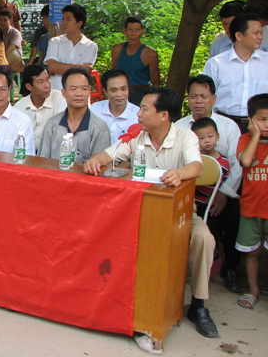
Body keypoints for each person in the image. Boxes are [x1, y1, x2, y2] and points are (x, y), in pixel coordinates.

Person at [84, 88, 217, 338]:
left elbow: (197, 167)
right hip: (138, 212)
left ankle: (198, 305)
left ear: (163, 115)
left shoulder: (185, 136)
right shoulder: (137, 135)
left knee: (203, 239)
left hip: (178, 214)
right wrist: (96, 159)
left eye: (145, 108)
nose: (139, 113)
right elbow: (109, 154)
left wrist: (179, 174)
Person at [176, 74, 243, 293]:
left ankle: (230, 269)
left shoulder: (228, 126)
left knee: (233, 216)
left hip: (223, 191)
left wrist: (223, 193)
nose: (198, 101)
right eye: (193, 96)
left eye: (204, 96)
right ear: (188, 98)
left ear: (213, 99)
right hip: (190, 193)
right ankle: (186, 269)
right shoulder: (179, 127)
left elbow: (236, 163)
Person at [203, 13, 268, 134]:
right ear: (239, 35)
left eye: (261, 33)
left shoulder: (266, 62)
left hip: (261, 127)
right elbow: (205, 97)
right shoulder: (216, 64)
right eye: (256, 33)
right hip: (224, 125)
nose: (260, 37)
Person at [236, 93, 268, 310]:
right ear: (251, 120)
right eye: (262, 119)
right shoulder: (246, 140)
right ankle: (253, 289)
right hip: (251, 207)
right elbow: (246, 161)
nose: (266, 124)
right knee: (251, 252)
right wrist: (255, 135)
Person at [39, 67, 110, 162]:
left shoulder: (99, 127)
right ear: (64, 93)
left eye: (84, 89)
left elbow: (101, 165)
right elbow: (42, 160)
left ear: (89, 91)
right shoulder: (52, 124)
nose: (79, 94)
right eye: (73, 89)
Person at [43, 3, 97, 90]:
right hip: (56, 93)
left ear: (79, 23)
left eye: (68, 19)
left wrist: (59, 67)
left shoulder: (90, 46)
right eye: (63, 19)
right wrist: (79, 67)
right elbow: (52, 67)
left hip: (78, 94)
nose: (64, 23)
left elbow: (85, 71)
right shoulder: (55, 42)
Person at [15, 64, 67, 152]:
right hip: (27, 154)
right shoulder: (19, 107)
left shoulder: (59, 98)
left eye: (48, 80)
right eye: (40, 82)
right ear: (29, 86)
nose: (47, 85)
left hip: (53, 153)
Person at [111, 16, 160, 105]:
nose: (133, 34)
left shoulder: (150, 53)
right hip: (121, 92)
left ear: (142, 32)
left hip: (141, 93)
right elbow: (113, 74)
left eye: (137, 30)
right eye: (130, 30)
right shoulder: (117, 49)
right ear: (124, 31)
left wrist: (154, 102)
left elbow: (155, 82)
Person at [90, 69, 140, 144]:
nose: (119, 94)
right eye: (113, 90)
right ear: (105, 91)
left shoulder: (137, 114)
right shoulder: (95, 109)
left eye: (123, 89)